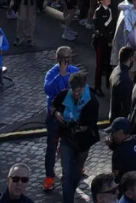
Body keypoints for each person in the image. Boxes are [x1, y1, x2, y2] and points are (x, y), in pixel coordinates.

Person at [50, 71, 100, 203]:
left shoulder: (92, 101)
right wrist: (56, 113)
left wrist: (81, 127)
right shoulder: (64, 95)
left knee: (77, 173)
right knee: (67, 174)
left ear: (84, 87)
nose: (76, 93)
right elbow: (53, 105)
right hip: (67, 139)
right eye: (74, 91)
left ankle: (70, 192)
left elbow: (91, 123)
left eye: (79, 91)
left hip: (83, 142)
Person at [42, 45, 79, 193]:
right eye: (63, 58)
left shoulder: (75, 71)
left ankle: (75, 167)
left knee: (73, 142)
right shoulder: (52, 73)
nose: (66, 61)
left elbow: (80, 90)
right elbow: (48, 90)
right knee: (51, 146)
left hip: (70, 115)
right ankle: (49, 176)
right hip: (54, 115)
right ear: (57, 59)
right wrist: (61, 75)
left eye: (68, 58)